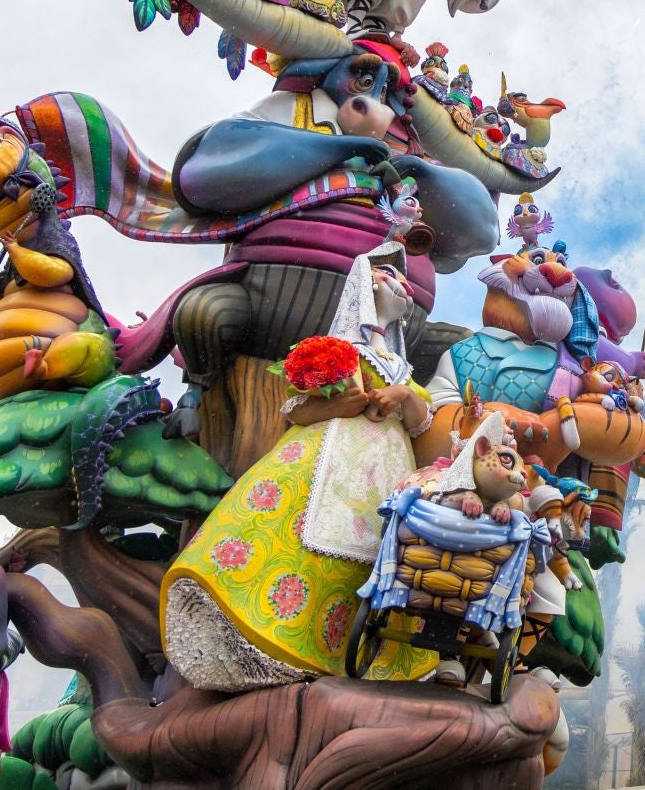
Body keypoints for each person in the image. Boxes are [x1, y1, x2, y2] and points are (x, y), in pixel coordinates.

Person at [160, 239, 437, 691]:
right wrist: (336, 405)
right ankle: (284, 639)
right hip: (327, 457)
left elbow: (422, 423)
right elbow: (296, 411)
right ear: (364, 288)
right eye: (391, 277)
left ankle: (356, 650)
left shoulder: (401, 367)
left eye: (404, 280)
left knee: (375, 555)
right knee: (306, 539)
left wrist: (405, 396)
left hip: (387, 470)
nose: (403, 287)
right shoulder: (339, 351)